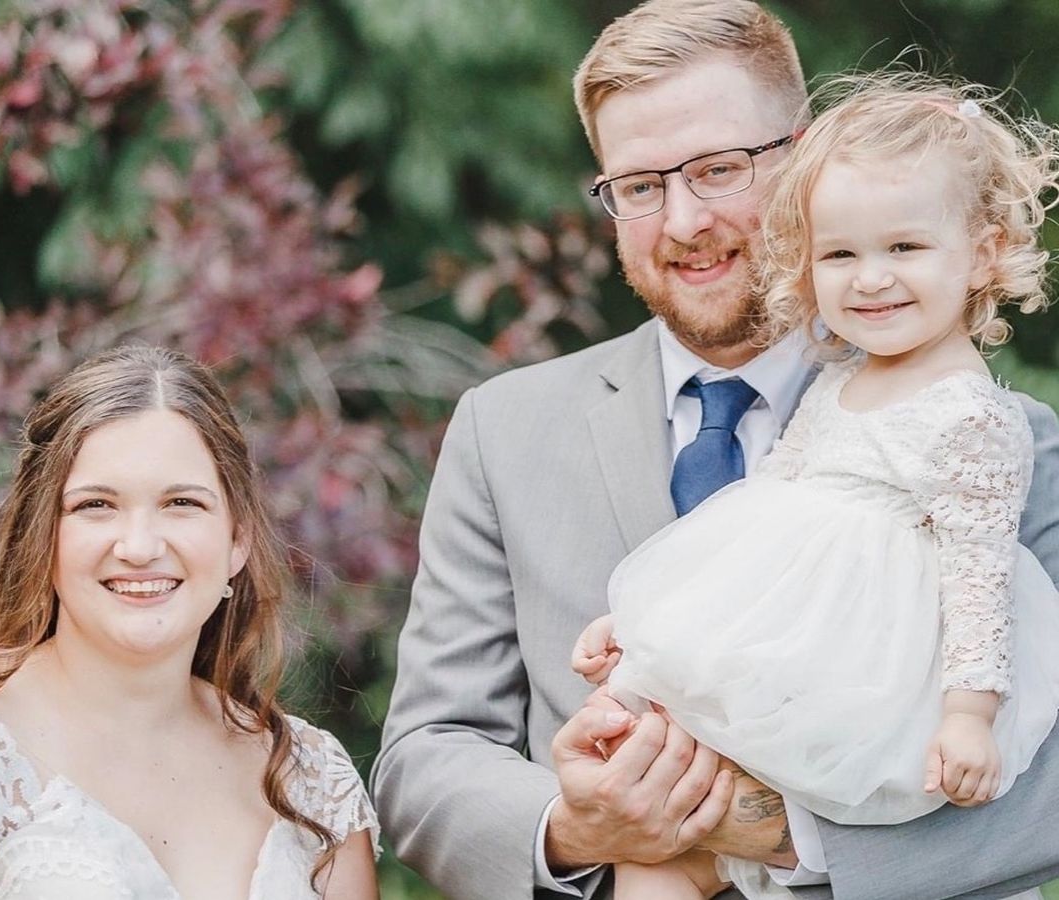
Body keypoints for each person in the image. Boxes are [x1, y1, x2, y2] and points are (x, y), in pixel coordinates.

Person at [372, 2, 1059, 899]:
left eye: (719, 169)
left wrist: (772, 834)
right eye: (639, 186)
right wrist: (581, 826)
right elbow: (427, 756)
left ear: (805, 162)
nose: (684, 220)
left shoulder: (999, 437)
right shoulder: (503, 429)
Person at [572, 69, 1059, 900]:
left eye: (904, 248)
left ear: (982, 253)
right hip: (788, 640)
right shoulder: (840, 380)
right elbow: (759, 508)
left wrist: (968, 717)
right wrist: (650, 617)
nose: (869, 278)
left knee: (696, 822)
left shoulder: (973, 417)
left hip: (873, 671)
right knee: (654, 845)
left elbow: (979, 581)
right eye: (840, 254)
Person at [0, 345, 380, 900]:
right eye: (96, 505)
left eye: (181, 503)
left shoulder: (312, 781)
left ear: (238, 540)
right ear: (43, 536)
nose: (139, 547)